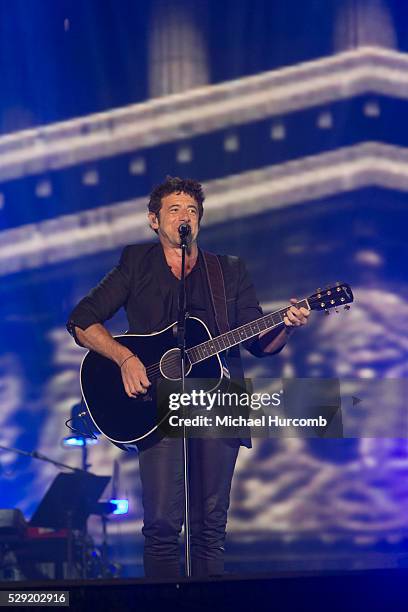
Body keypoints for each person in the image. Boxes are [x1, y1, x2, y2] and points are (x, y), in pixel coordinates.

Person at [67, 176, 310, 578]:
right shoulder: (135, 263)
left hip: (218, 401)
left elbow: (260, 342)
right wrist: (125, 358)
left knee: (210, 527)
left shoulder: (228, 272)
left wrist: (285, 324)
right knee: (162, 524)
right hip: (157, 406)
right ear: (154, 221)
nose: (185, 217)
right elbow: (81, 321)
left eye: (192, 211)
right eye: (175, 210)